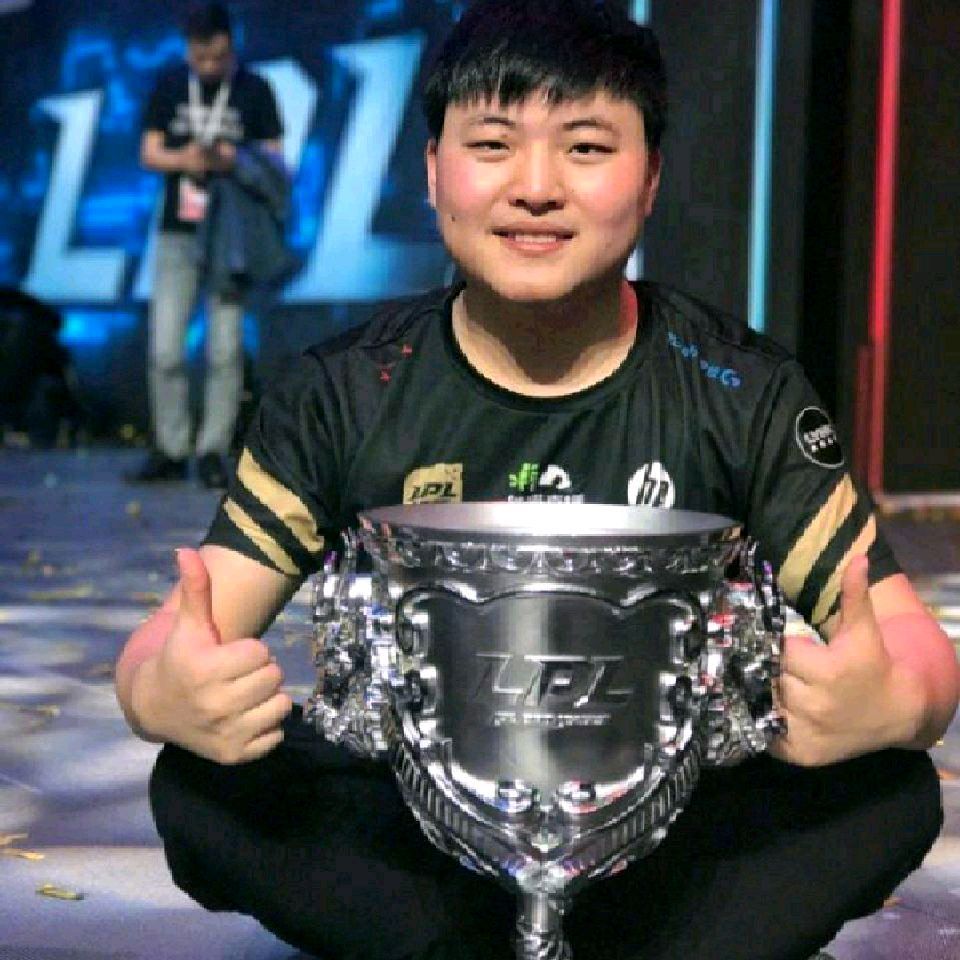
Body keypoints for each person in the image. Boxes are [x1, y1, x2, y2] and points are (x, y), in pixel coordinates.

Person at [114, 2, 959, 958]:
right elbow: (180, 633)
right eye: (493, 144)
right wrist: (161, 689)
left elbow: (913, 647)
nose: (536, 188)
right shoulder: (343, 391)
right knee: (200, 786)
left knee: (889, 794)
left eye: (586, 147)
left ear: (651, 178)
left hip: (669, 827)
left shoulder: (742, 390)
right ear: (433, 170)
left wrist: (894, 700)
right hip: (423, 829)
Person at [128, 2, 283, 489]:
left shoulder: (254, 89)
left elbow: (277, 161)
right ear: (188, 49)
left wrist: (234, 159)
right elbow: (149, 152)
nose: (210, 66)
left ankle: (213, 449)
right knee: (165, 348)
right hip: (178, 229)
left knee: (224, 349)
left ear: (231, 45)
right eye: (201, 58)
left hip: (230, 237)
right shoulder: (172, 83)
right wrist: (187, 159)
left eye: (218, 57)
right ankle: (171, 448)